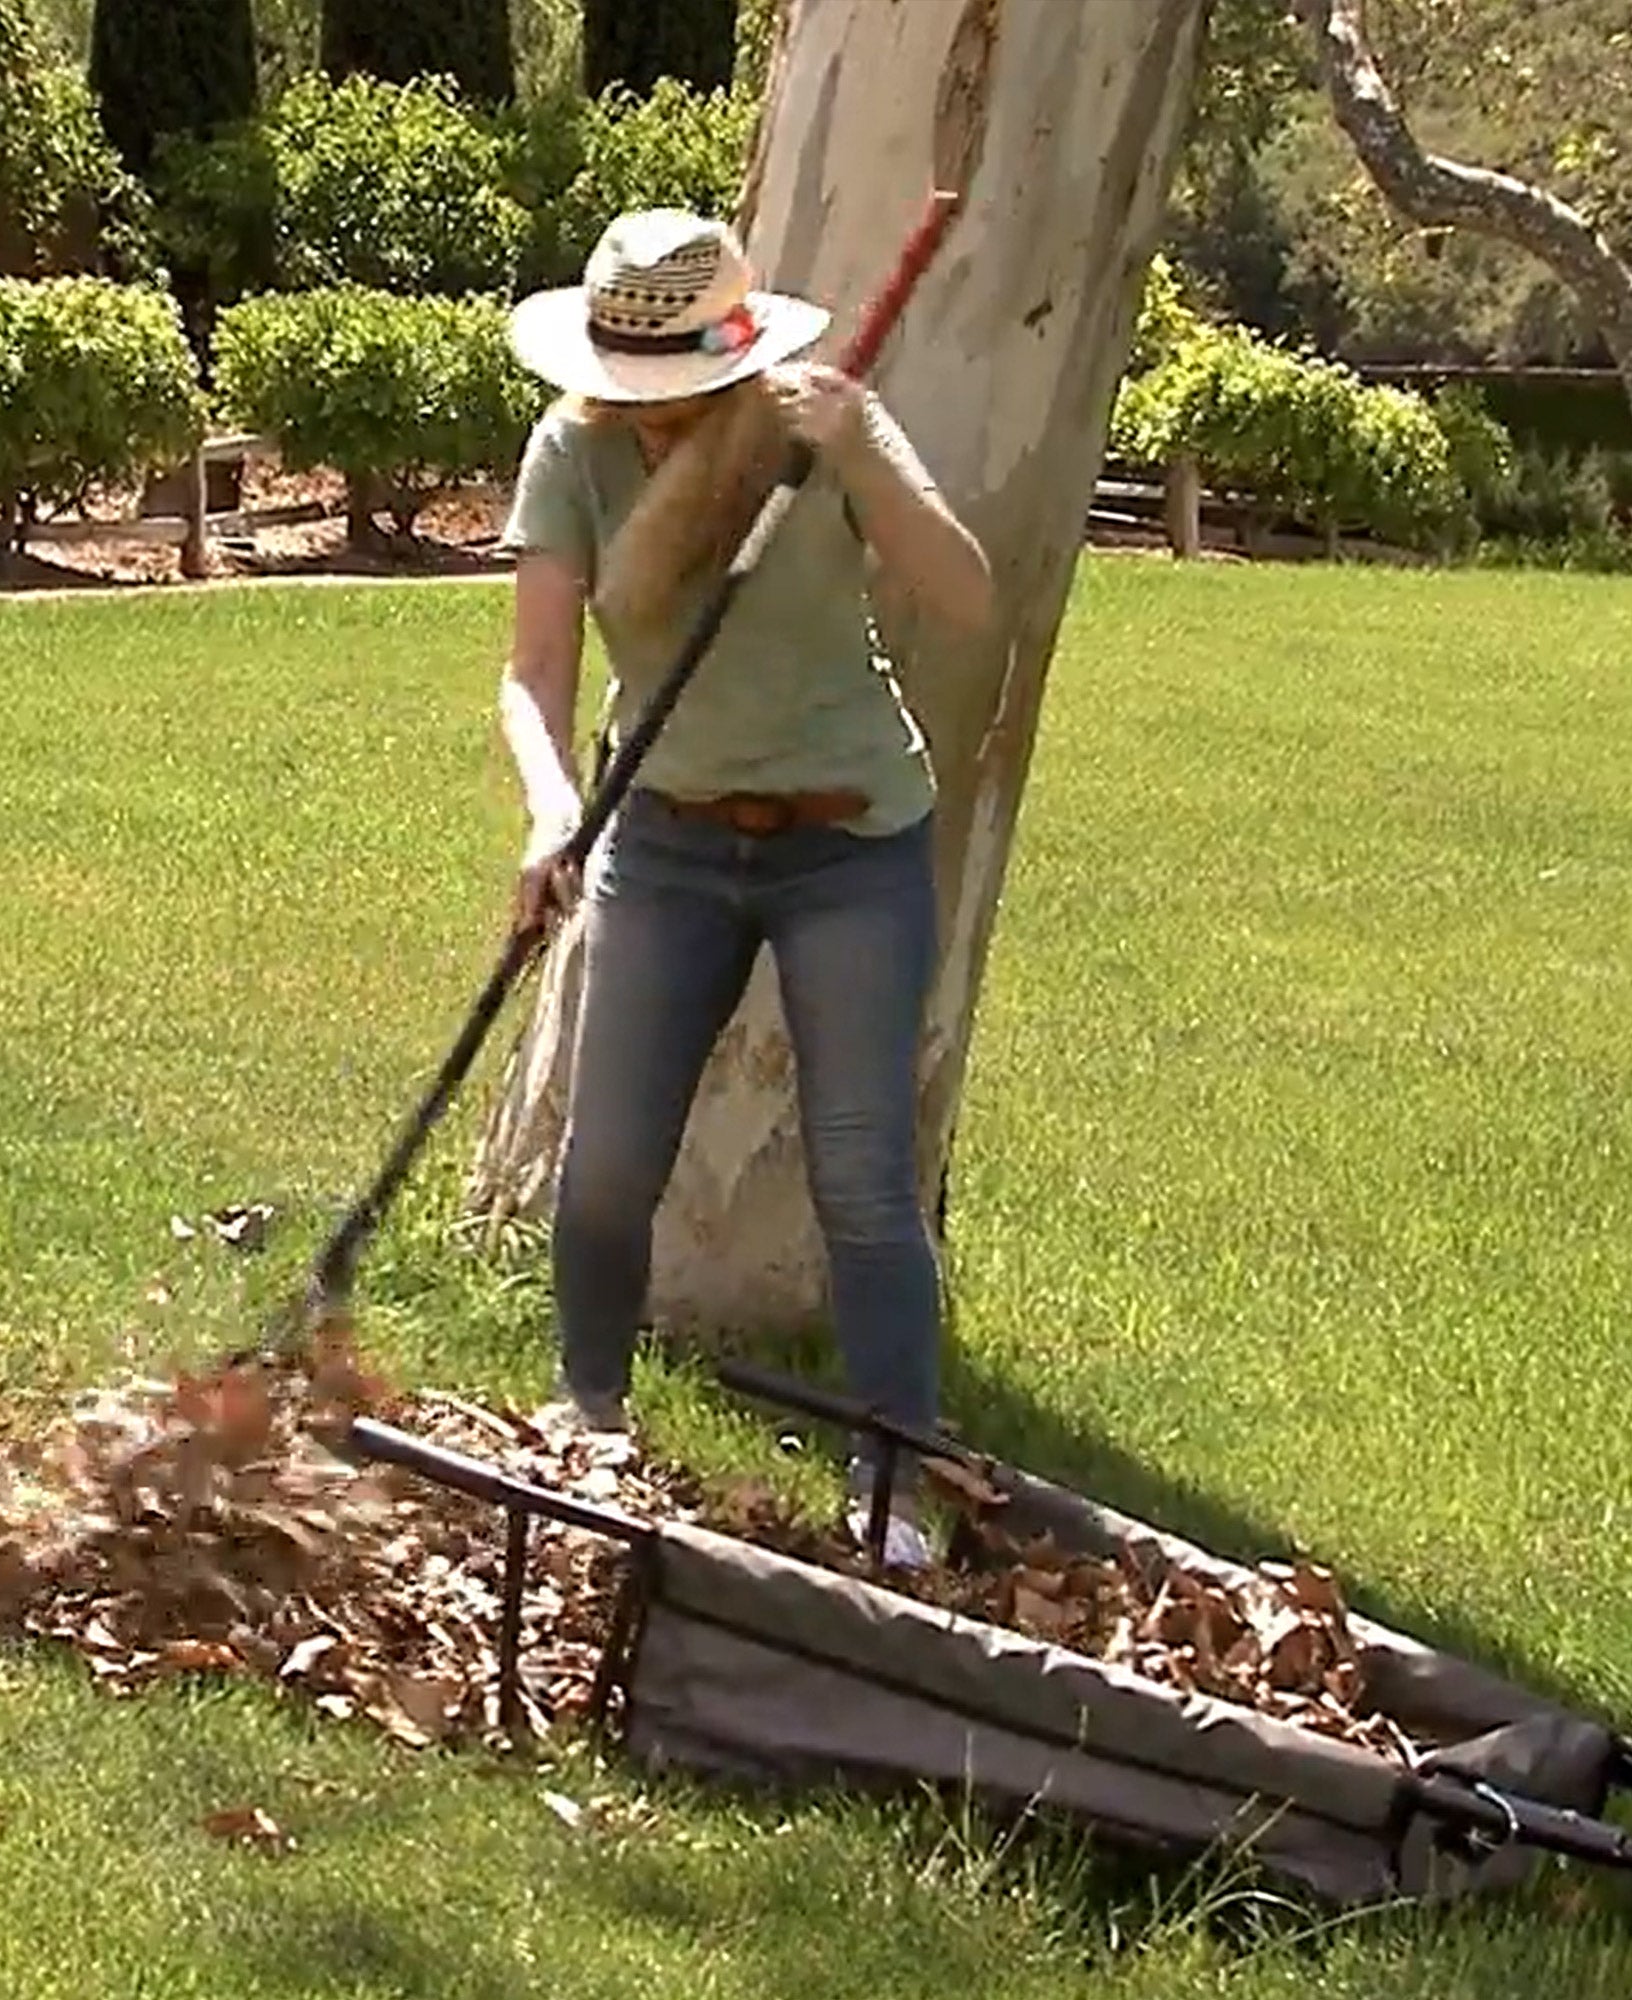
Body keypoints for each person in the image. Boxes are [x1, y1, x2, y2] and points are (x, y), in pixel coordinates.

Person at [494, 207, 994, 1568]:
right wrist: (553, 815)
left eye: (674, 396)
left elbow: (966, 597)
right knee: (605, 1166)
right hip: (664, 840)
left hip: (852, 843)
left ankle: (892, 1472)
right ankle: (587, 1417)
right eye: (627, 388)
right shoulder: (574, 451)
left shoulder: (817, 422)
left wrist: (861, 460)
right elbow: (535, 670)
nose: (647, 418)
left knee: (861, 1175)